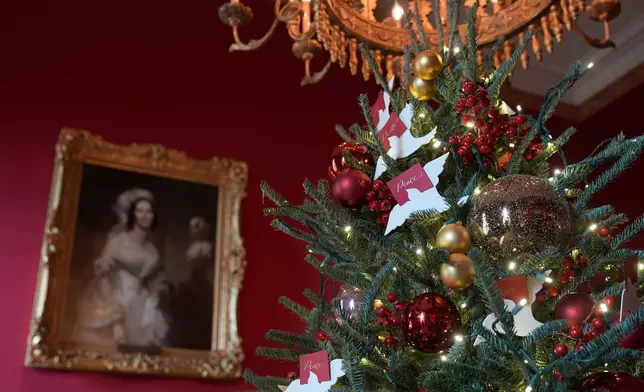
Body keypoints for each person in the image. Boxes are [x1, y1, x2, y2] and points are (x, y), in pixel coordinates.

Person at [73, 189, 169, 347]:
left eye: (149, 211)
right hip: (116, 295)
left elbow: (154, 282)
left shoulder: (153, 251)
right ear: (133, 215)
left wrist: (153, 300)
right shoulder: (118, 242)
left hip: (141, 302)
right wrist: (115, 319)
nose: (145, 215)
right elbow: (103, 275)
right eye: (139, 211)